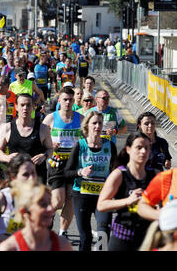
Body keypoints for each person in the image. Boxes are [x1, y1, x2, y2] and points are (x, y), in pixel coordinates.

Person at [64, 111, 118, 251]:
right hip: (82, 194)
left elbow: (116, 171)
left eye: (100, 123)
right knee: (86, 237)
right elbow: (66, 173)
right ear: (87, 125)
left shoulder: (110, 146)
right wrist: (81, 172)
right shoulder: (80, 146)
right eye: (94, 123)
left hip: (103, 196)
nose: (97, 126)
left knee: (103, 234)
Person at [97, 132, 157, 251]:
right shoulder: (119, 174)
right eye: (139, 147)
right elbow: (101, 205)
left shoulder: (155, 175)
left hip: (147, 238)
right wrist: (128, 200)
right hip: (123, 237)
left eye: (146, 148)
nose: (143, 151)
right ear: (128, 149)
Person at [42, 86, 84, 238]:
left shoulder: (81, 118)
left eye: (70, 100)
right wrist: (49, 144)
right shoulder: (51, 118)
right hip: (56, 164)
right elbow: (41, 139)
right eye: (65, 99)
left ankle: (63, 232)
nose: (68, 102)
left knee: (71, 198)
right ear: (59, 100)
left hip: (74, 164)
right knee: (59, 200)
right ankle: (48, 217)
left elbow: (87, 139)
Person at [0, 180, 73, 251]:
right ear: (24, 210)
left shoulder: (63, 245)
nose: (50, 208)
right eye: (43, 204)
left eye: (50, 203)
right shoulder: (9, 247)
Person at [0, 93, 53, 185]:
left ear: (33, 106)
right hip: (16, 179)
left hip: (37, 179)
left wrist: (44, 156)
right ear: (16, 107)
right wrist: (6, 157)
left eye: (28, 105)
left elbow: (50, 149)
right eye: (22, 105)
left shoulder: (43, 128)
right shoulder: (7, 128)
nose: (25, 108)